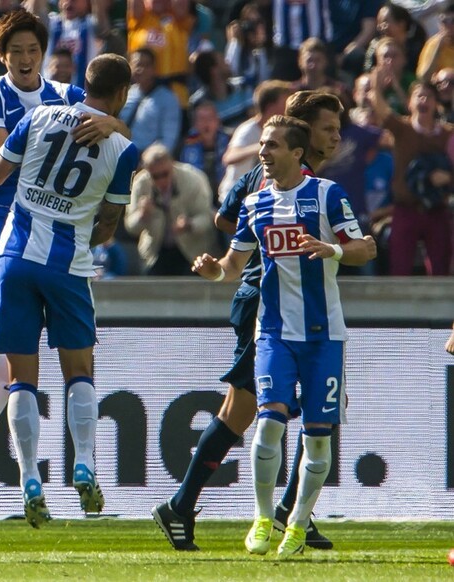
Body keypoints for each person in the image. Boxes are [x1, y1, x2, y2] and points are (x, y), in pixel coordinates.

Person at [151, 90, 356, 552]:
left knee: (289, 409)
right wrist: (269, 246)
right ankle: (198, 506)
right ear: (302, 133)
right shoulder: (275, 181)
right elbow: (232, 222)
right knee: (248, 410)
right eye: (328, 128)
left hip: (283, 303)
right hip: (268, 303)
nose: (335, 137)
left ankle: (283, 509)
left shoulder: (306, 185)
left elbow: (226, 217)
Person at [0, 10, 125, 469]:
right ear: (1, 55)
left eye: (33, 50)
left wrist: (110, 125)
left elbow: (118, 130)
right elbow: (4, 149)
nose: (26, 59)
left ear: (42, 53)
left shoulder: (66, 94)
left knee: (15, 337)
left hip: (40, 219)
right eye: (16, 51)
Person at [192, 115, 375, 557]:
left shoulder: (327, 195)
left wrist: (331, 249)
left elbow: (364, 249)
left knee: (317, 437)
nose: (263, 152)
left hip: (324, 335)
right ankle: (261, 517)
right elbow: (232, 266)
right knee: (269, 422)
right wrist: (212, 271)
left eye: (272, 145)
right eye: (262, 144)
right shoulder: (255, 203)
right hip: (273, 332)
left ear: (296, 152)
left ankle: (295, 524)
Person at [0, 53, 138, 527]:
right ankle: (83, 462)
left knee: (22, 377)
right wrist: (80, 230)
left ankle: (29, 478)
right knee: (79, 371)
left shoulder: (39, 115)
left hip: (15, 259)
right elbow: (110, 224)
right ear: (122, 93)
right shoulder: (123, 148)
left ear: (84, 82)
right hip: (68, 266)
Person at [369, 75, 453, 276]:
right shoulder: (401, 129)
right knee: (400, 268)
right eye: (419, 96)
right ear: (409, 103)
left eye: (428, 96)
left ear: (436, 103)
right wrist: (377, 83)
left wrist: (449, 177)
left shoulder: (448, 134)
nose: (423, 100)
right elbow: (381, 108)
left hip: (437, 210)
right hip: (405, 209)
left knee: (440, 270)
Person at [124, 144, 218, 275]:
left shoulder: (194, 179)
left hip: (193, 252)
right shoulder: (140, 184)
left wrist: (189, 224)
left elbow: (207, 218)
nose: (161, 180)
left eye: (165, 174)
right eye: (155, 176)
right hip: (155, 252)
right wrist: (142, 215)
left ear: (172, 164)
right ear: (147, 171)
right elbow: (130, 226)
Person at [119, 47, 182, 154]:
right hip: (122, 154)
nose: (140, 69)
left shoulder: (168, 99)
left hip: (149, 157)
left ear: (154, 69)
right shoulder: (125, 94)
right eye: (137, 64)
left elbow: (168, 140)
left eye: (146, 65)